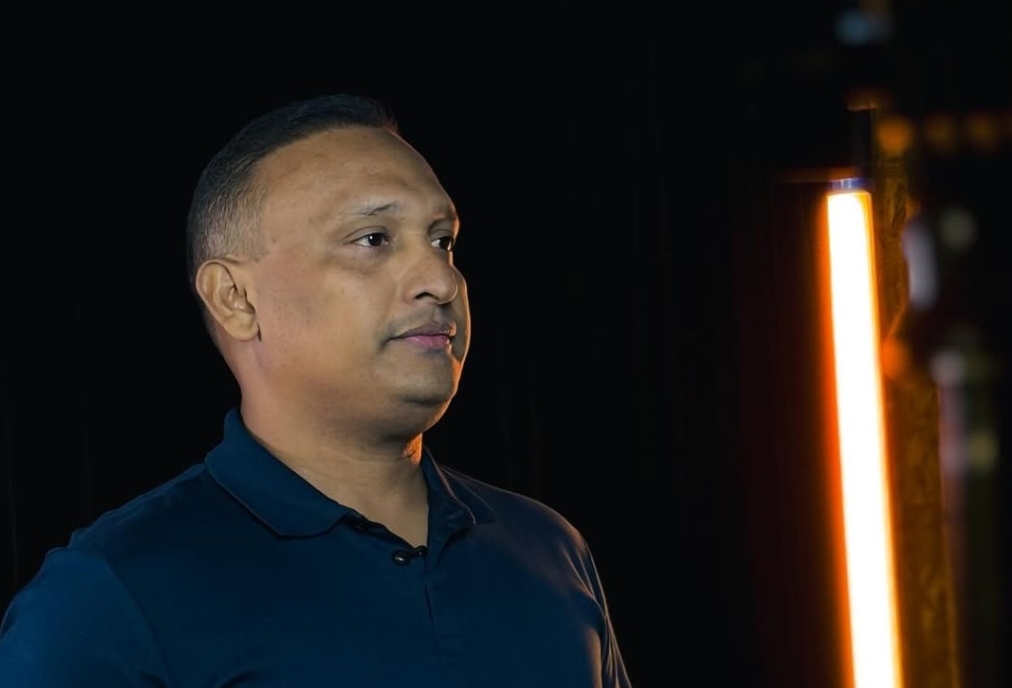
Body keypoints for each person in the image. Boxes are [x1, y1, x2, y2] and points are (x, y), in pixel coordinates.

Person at [0, 94, 632, 687]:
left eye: (443, 241)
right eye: (373, 240)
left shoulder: (549, 547)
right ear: (236, 298)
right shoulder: (108, 595)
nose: (441, 281)